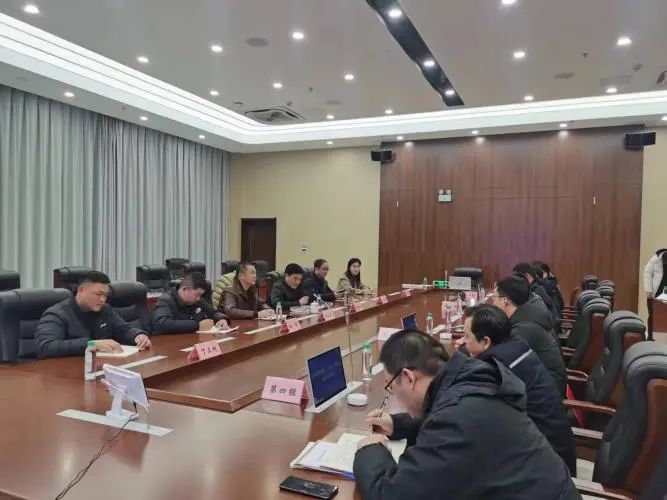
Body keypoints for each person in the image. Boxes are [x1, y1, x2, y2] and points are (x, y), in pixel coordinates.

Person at [353, 330, 579, 500]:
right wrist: (398, 424)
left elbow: (391, 494)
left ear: (409, 377)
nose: (393, 393)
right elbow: (448, 420)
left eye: (391, 385)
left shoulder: (457, 418)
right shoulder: (467, 384)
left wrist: (371, 449)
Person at [460, 304, 577, 475]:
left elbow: (471, 412)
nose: (463, 341)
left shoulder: (497, 368)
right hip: (554, 450)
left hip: (546, 468)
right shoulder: (516, 346)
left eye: (466, 336)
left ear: (486, 342)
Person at [35, 271, 151, 359]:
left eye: (105, 295)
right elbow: (46, 347)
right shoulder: (57, 314)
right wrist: (92, 344)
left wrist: (137, 335)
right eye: (98, 294)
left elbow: (123, 329)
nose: (102, 299)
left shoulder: (104, 310)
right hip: (64, 373)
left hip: (99, 366)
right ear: (81, 290)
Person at [492, 275, 567, 395]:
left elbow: (505, 363)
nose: (493, 302)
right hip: (546, 383)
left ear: (505, 300)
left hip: (546, 393)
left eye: (494, 298)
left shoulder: (523, 328)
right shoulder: (528, 311)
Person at [153, 272, 228, 333]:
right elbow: (161, 324)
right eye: (197, 295)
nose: (198, 299)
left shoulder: (197, 301)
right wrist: (197, 325)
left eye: (200, 295)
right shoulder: (166, 300)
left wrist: (221, 319)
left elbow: (212, 312)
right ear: (185, 289)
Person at [514, 262, 561, 331]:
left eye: (517, 278)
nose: (516, 282)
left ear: (527, 276)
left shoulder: (536, 291)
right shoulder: (538, 286)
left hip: (549, 329)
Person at [644, 248, 667, 340]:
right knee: (652, 314)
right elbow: (647, 273)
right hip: (655, 291)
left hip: (665, 291)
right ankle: (650, 337)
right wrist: (648, 290)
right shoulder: (655, 259)